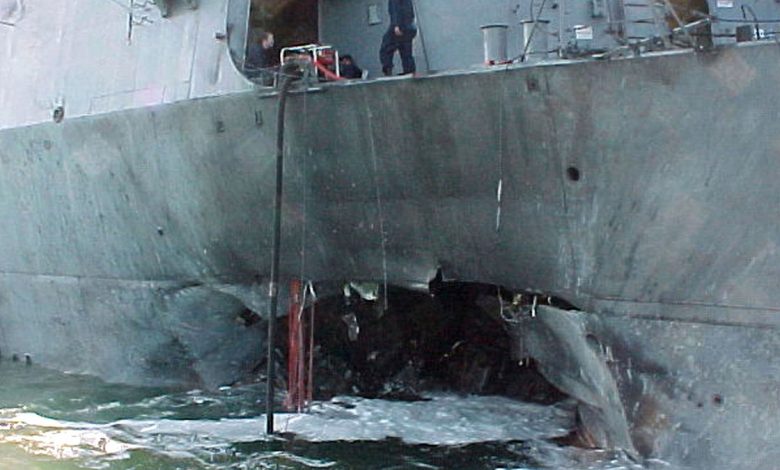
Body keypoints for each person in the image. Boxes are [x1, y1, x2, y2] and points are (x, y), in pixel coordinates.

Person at [379, 0, 416, 76]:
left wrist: (396, 25)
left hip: (400, 26)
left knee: (385, 48)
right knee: (406, 50)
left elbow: (395, 9)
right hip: (409, 26)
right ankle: (410, 71)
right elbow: (410, 12)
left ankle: (387, 69)